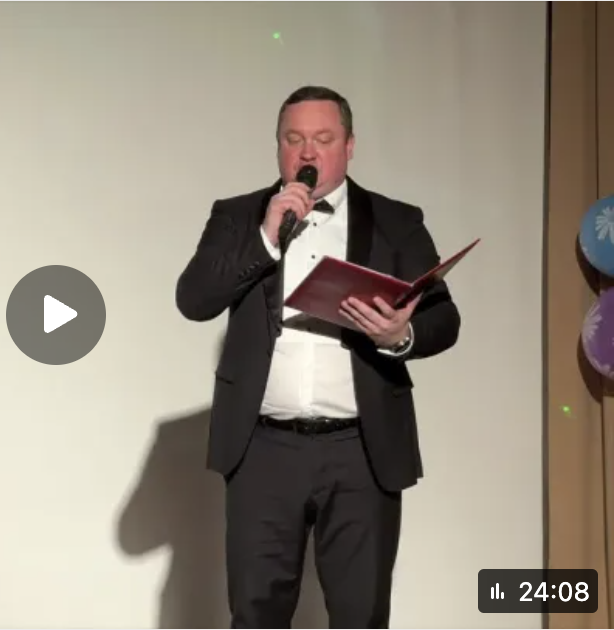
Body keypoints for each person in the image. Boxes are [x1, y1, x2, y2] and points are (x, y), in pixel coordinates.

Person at [175, 85, 460, 628]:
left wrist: (399, 334)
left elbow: (444, 320)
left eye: (323, 139)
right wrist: (265, 237)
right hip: (262, 450)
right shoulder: (238, 215)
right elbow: (194, 300)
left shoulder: (396, 220)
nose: (307, 152)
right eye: (294, 139)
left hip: (362, 452)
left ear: (349, 146)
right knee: (256, 615)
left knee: (361, 616)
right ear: (278, 148)